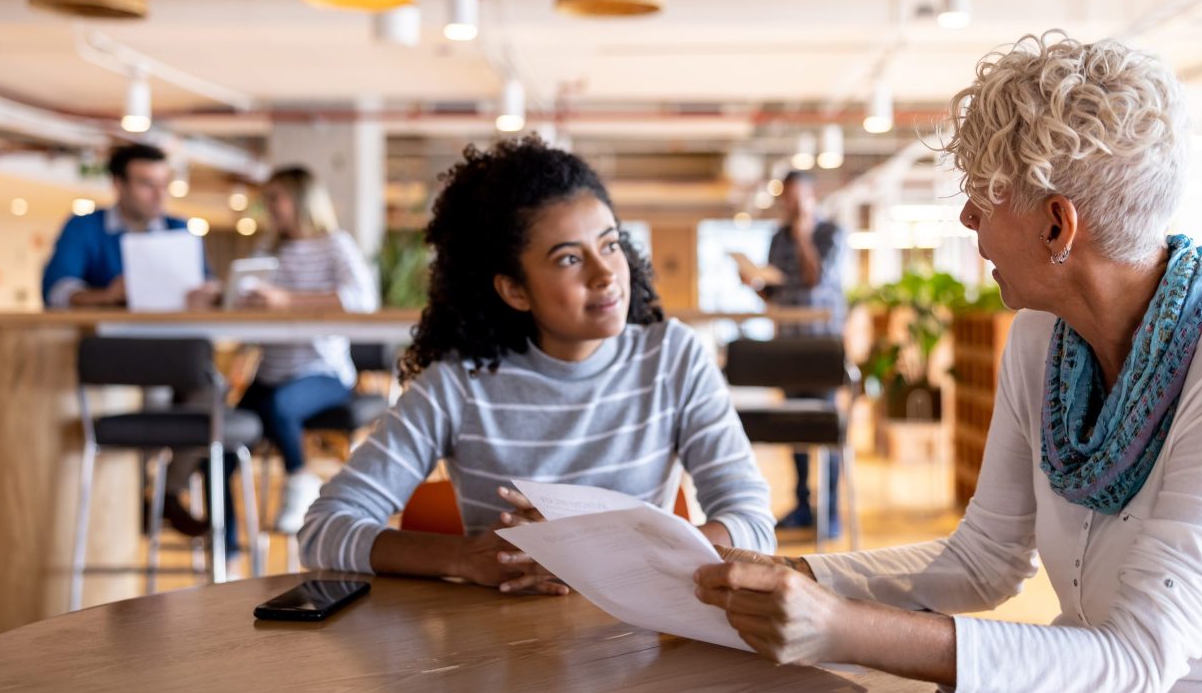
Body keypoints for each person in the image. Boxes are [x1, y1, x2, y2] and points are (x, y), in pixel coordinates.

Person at [695, 34, 1202, 693]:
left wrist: (843, 630)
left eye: (985, 195)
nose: (968, 221)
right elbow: (983, 564)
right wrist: (796, 574)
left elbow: (1139, 659)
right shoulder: (1041, 339)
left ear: (1056, 225)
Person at [299, 134, 775, 592]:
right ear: (514, 289)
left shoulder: (672, 357)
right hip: (497, 649)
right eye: (570, 259)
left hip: (641, 645)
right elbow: (325, 529)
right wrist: (465, 559)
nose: (605, 274)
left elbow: (751, 524)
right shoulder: (460, 383)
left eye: (610, 245)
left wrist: (600, 552)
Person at [208, 165, 379, 542]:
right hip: (271, 370)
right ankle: (228, 548)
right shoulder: (269, 251)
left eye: (275, 198)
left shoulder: (336, 245)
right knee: (218, 441)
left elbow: (361, 300)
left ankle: (299, 478)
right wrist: (229, 300)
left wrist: (287, 300)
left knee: (280, 405)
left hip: (324, 372)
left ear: (301, 200)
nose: (269, 206)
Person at [747, 170, 847, 539]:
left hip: (822, 350)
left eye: (794, 197)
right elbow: (776, 294)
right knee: (794, 430)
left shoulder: (830, 234)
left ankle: (830, 511)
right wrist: (755, 283)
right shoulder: (776, 238)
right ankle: (803, 505)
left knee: (826, 431)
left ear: (810, 196)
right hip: (787, 349)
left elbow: (815, 280)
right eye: (784, 198)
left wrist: (804, 235)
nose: (788, 205)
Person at [41, 142, 198, 308]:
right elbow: (56, 291)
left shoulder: (179, 228)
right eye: (148, 184)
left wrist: (211, 291)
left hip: (176, 330)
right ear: (119, 184)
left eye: (164, 185)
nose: (160, 195)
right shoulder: (85, 227)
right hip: (104, 332)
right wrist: (106, 296)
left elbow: (206, 281)